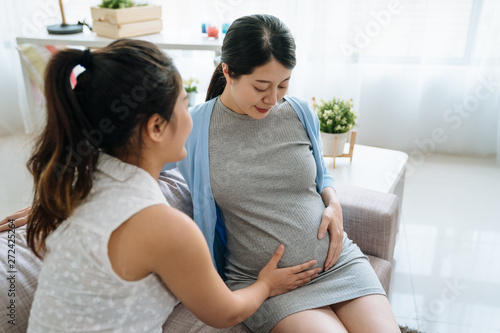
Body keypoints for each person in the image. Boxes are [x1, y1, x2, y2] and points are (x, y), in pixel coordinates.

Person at [12, 39, 319, 332]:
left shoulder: (82, 181)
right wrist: (266, 284)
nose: (191, 116)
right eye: (185, 104)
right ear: (156, 127)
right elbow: (226, 312)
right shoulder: (165, 228)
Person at [162, 14, 401, 333]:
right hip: (269, 285)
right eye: (261, 87)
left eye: (283, 85)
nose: (273, 99)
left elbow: (321, 175)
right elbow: (141, 162)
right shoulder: (194, 128)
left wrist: (333, 202)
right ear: (228, 71)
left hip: (337, 263)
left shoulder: (299, 111)